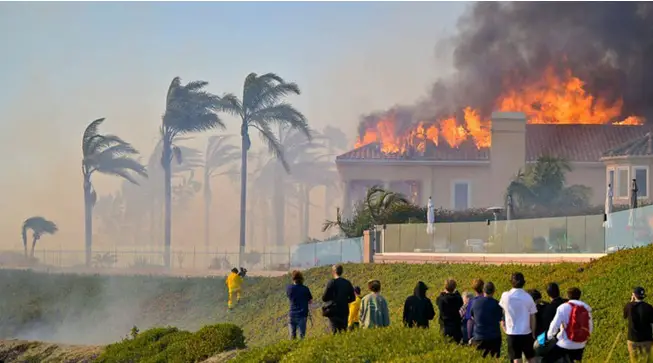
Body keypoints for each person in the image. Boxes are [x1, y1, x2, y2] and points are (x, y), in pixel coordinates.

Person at [546, 287, 593, 363]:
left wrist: (549, 336)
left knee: (547, 360)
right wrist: (585, 338)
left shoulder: (563, 307)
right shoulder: (586, 307)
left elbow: (554, 325)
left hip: (566, 342)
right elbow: (590, 325)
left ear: (567, 296)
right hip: (581, 343)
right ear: (579, 296)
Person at [499, 272, 538, 363]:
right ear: (524, 282)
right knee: (531, 357)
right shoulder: (528, 297)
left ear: (511, 282)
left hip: (512, 332)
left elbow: (503, 311)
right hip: (526, 332)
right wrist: (533, 332)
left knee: (516, 358)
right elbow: (533, 316)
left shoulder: (505, 296)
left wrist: (504, 326)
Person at [470, 281, 504, 358]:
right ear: (494, 291)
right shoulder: (497, 304)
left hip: (479, 336)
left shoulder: (474, 302)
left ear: (483, 290)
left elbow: (472, 316)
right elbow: (499, 318)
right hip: (494, 337)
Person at [321, 264, 356, 334]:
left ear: (333, 272)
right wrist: (345, 300)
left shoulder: (331, 282)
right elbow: (353, 298)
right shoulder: (347, 283)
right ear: (341, 272)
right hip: (344, 311)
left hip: (333, 311)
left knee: (335, 332)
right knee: (343, 332)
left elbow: (324, 298)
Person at [624, 287, 653, 363]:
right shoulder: (649, 307)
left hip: (633, 339)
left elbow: (625, 316)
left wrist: (631, 301)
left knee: (634, 361)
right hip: (647, 339)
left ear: (634, 295)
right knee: (648, 361)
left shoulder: (629, 306)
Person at [286, 270, 313, 340]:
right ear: (301, 279)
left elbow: (289, 296)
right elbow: (310, 301)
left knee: (292, 337)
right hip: (302, 315)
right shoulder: (305, 289)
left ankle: (292, 350)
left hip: (292, 315)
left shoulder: (289, 288)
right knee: (301, 337)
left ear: (293, 279)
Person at [436, 278, 464, 344]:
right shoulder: (457, 298)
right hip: (456, 327)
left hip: (445, 327)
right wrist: (457, 292)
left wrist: (442, 294)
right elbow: (461, 301)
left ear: (445, 287)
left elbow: (437, 301)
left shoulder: (442, 300)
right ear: (454, 287)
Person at [465, 279, 485, 343]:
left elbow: (470, 321)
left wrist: (469, 336)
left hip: (477, 334)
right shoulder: (489, 300)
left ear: (474, 289)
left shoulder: (472, 302)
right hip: (490, 334)